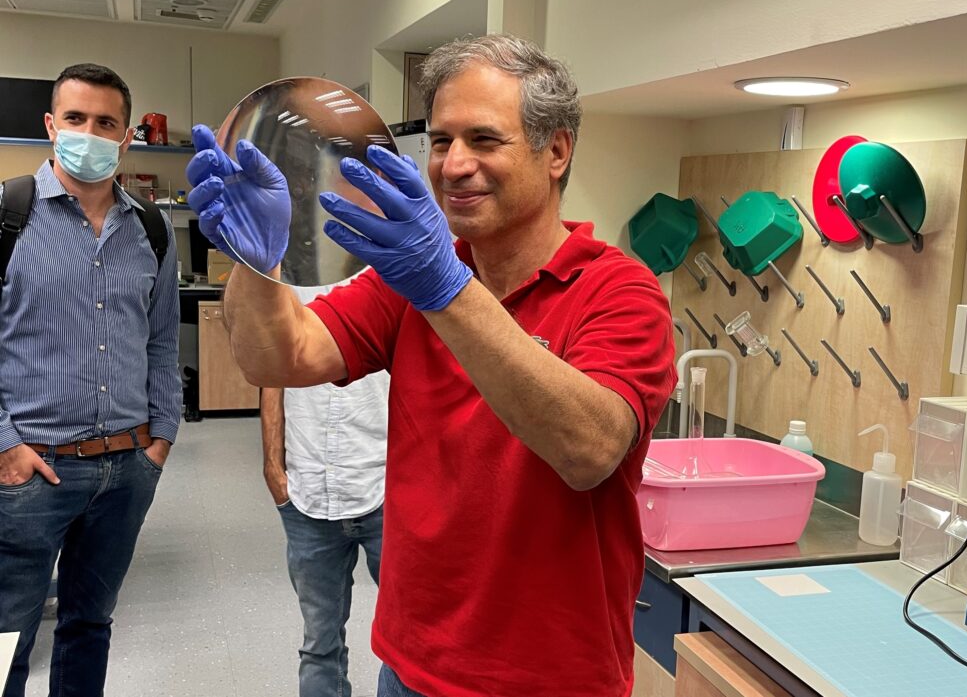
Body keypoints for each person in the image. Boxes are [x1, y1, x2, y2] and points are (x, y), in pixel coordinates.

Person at [186, 34, 675, 697]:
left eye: (484, 139)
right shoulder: (406, 280)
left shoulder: (619, 292)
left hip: (555, 678)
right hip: (415, 668)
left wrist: (445, 287)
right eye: (442, 142)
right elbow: (280, 354)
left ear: (555, 150)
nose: (453, 164)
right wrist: (258, 263)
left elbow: (588, 449)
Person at [0, 63, 181, 697]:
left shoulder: (152, 232)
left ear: (126, 136)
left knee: (88, 626)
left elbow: (162, 342)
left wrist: (160, 441)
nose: (89, 132)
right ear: (50, 125)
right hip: (31, 471)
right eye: (75, 119)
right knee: (7, 637)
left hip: (126, 470)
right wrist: (5, 443)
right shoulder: (9, 217)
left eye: (106, 122)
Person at [261, 276, 389, 697]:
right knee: (319, 644)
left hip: (386, 487)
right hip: (308, 488)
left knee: (414, 640)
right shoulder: (290, 275)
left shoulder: (396, 260)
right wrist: (274, 468)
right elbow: (271, 371)